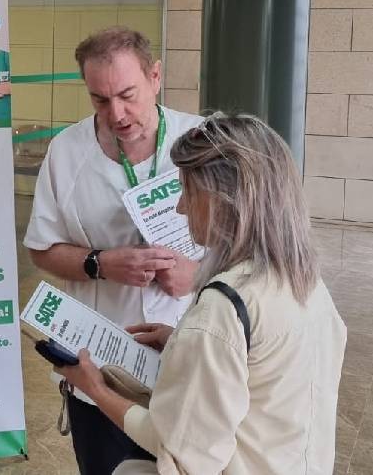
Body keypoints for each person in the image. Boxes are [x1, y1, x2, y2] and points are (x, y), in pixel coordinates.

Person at [57, 114, 347, 474]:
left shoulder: (223, 309)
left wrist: (96, 389)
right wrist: (185, 345)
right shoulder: (308, 286)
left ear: (220, 200)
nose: (180, 207)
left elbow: (182, 454)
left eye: (187, 192)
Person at [23, 26, 203, 475]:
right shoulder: (67, 151)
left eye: (127, 94)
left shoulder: (202, 142)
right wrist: (98, 263)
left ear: (155, 76)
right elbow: (42, 250)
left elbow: (251, 252)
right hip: (102, 365)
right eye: (100, 100)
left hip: (191, 361)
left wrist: (198, 275)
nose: (117, 113)